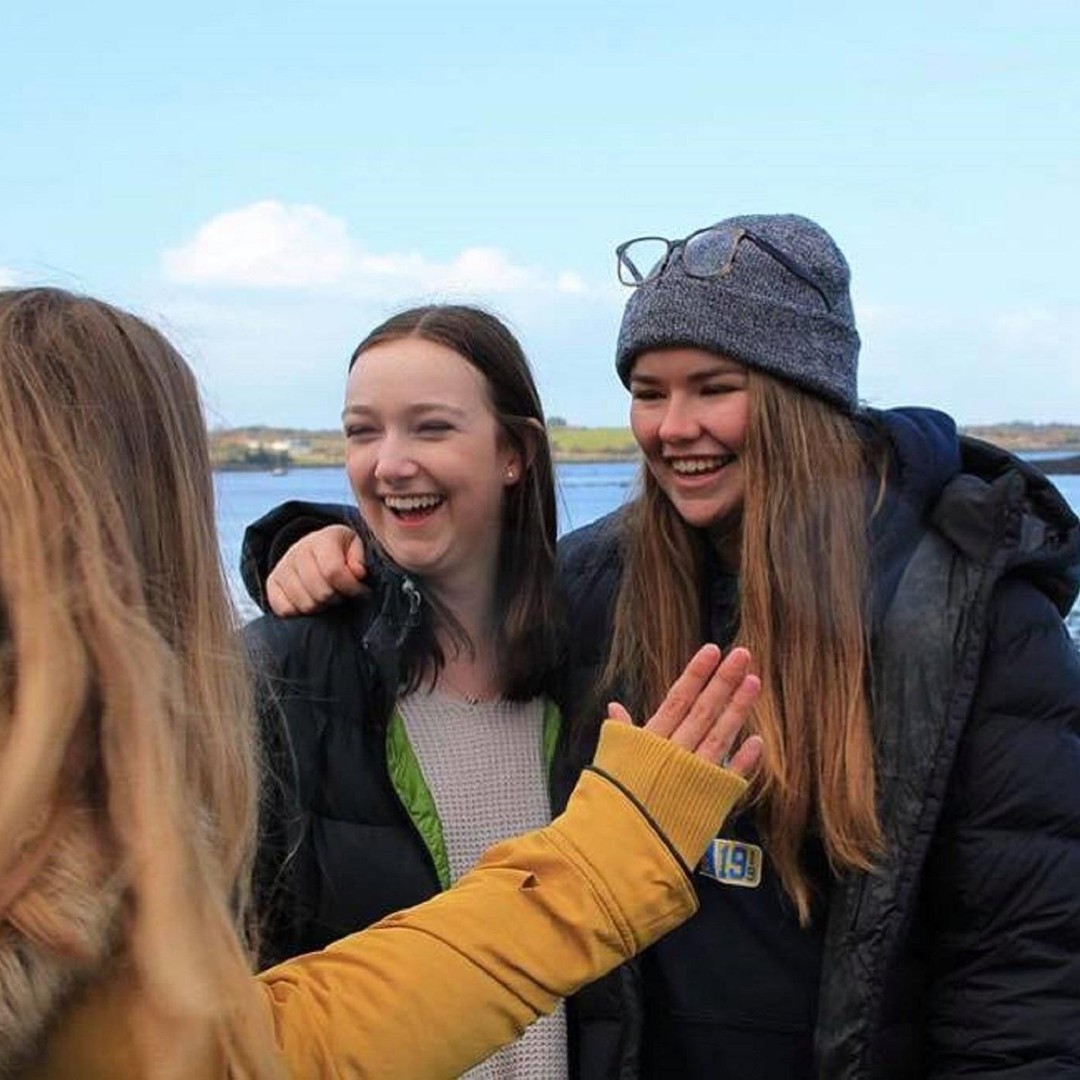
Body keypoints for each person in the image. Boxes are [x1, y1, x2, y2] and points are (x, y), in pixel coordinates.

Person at [251, 214, 1080, 1078]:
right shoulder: (602, 585)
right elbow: (456, 575)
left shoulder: (968, 617)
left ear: (805, 396)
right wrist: (322, 543)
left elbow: (1024, 967)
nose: (673, 426)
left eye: (712, 388)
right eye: (649, 393)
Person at [0, 287, 765, 1079]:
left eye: (430, 427)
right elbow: (243, 1030)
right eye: (361, 431)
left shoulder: (602, 655)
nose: (389, 462)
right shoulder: (278, 681)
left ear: (516, 453)